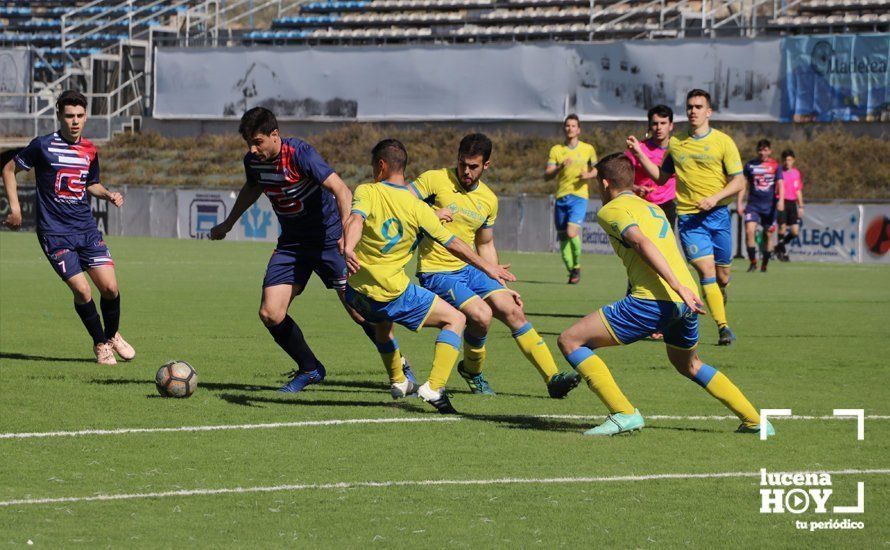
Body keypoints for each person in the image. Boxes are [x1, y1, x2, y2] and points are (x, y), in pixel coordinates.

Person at [556, 153, 773, 437]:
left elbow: (640, 241)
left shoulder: (610, 210)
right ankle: (755, 420)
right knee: (690, 365)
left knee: (570, 340)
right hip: (687, 300)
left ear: (605, 183)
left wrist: (675, 285)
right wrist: (683, 289)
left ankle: (623, 412)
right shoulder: (653, 209)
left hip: (657, 299)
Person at [209, 107, 409, 393]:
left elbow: (342, 190)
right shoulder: (254, 162)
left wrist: (344, 235)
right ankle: (310, 368)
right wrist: (228, 223)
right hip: (292, 244)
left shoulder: (300, 154)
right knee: (270, 313)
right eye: (249, 144)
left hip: (329, 240)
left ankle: (400, 365)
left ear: (274, 135)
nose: (252, 150)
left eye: (257, 142)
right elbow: (253, 187)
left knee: (360, 311)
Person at [342, 139, 515, 413]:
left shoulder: (366, 190)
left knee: (383, 326)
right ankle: (434, 388)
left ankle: (399, 380)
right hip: (391, 293)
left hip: (355, 291)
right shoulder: (420, 210)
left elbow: (355, 220)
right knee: (456, 319)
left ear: (381, 165)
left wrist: (349, 248)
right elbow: (455, 244)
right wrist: (488, 267)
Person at [412, 133, 581, 398]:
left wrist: (498, 283)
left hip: (471, 269)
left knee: (512, 309)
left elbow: (485, 244)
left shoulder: (489, 199)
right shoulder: (433, 179)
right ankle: (474, 372)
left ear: (486, 165)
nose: (466, 171)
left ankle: (552, 377)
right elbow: (401, 201)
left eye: (473, 166)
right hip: (437, 271)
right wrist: (428, 214)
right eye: (462, 164)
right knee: (481, 315)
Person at [2, 90, 135, 365]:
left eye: (79, 116)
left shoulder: (90, 149)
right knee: (83, 291)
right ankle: (101, 344)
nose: (75, 121)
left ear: (86, 116)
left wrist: (107, 194)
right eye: (69, 116)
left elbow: (91, 183)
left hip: (86, 229)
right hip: (55, 233)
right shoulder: (43, 145)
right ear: (59, 116)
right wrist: (14, 207)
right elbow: (8, 169)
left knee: (110, 288)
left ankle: (112, 335)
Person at [627, 89, 745, 346]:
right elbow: (660, 177)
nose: (693, 111)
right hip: (690, 219)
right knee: (705, 271)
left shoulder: (723, 142)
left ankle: (719, 294)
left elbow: (739, 181)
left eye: (698, 106)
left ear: (708, 111)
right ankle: (723, 327)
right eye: (690, 106)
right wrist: (639, 155)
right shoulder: (677, 143)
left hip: (718, 215)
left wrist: (715, 197)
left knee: (722, 276)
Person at [545, 114, 597, 284]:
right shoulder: (556, 150)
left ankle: (577, 265)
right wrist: (560, 167)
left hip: (579, 196)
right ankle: (573, 270)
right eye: (567, 125)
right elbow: (547, 175)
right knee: (563, 237)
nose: (570, 128)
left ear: (578, 129)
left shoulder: (588, 149)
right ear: (564, 128)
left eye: (573, 126)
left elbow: (597, 169)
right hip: (561, 197)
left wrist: (588, 175)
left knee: (571, 232)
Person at [625, 104, 677, 229]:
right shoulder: (638, 149)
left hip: (667, 205)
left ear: (671, 125)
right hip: (641, 206)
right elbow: (620, 178)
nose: (659, 127)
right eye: (655, 123)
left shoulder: (678, 149)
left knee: (664, 247)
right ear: (649, 125)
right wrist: (635, 188)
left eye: (663, 123)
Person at [739, 139, 783, 273]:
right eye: (760, 150)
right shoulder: (750, 165)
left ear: (769, 151)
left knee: (768, 235)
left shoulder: (776, 166)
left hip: (770, 207)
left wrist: (781, 200)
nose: (762, 152)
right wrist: (740, 202)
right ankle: (753, 262)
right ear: (757, 151)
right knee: (749, 231)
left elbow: (781, 184)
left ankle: (765, 263)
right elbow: (742, 184)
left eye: (765, 150)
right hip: (753, 206)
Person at [775, 149, 805, 262]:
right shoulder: (779, 172)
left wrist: (801, 206)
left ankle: (779, 247)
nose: (787, 162)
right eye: (785, 160)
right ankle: (782, 253)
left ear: (793, 160)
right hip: (781, 202)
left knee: (794, 231)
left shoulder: (796, 173)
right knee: (782, 227)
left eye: (789, 160)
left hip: (792, 203)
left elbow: (798, 190)